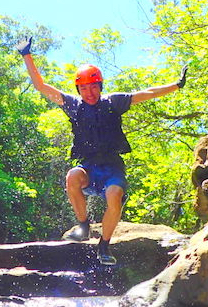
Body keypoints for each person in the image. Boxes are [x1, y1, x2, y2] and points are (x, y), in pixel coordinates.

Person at [17, 37, 187, 265]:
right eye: (84, 88)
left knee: (114, 195)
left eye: (93, 87)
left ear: (100, 86)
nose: (89, 92)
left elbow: (146, 93)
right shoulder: (72, 105)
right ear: (79, 89)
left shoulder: (113, 102)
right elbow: (41, 86)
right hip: (88, 167)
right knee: (72, 176)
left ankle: (104, 246)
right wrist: (26, 55)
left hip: (112, 168)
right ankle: (83, 226)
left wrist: (175, 86)